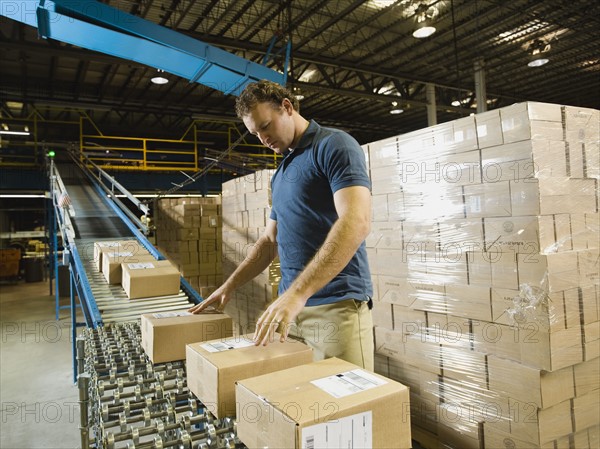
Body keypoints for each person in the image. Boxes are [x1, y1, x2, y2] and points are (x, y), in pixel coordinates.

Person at [189, 80, 374, 369]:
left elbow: (356, 220)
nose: (263, 138)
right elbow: (269, 242)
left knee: (345, 409)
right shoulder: (281, 172)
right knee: (301, 403)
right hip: (290, 312)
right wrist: (229, 285)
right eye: (255, 133)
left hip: (334, 307)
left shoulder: (333, 145)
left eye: (265, 126)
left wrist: (298, 294)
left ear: (287, 107)